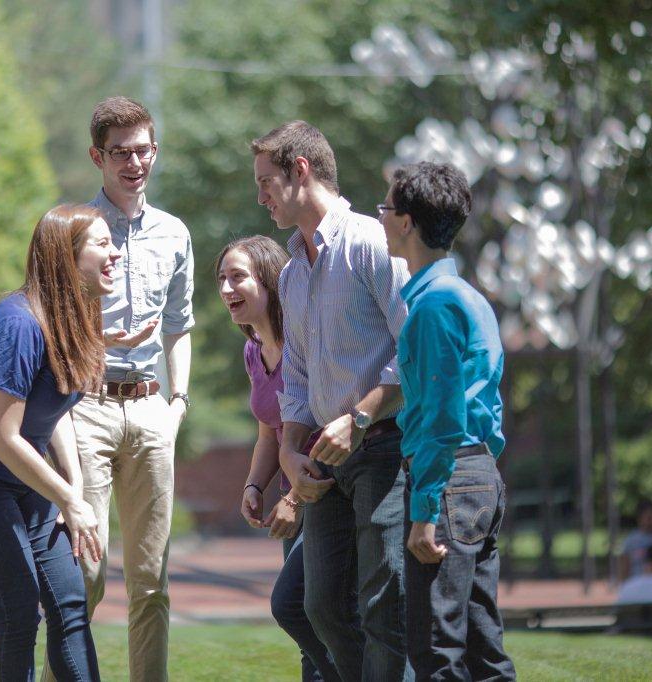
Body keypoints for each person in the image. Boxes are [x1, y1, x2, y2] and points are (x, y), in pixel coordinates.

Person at [0, 204, 116, 681]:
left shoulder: (73, 320)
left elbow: (54, 409)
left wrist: (72, 488)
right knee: (19, 608)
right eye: (102, 244)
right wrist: (67, 499)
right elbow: (1, 435)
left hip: (22, 473)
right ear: (67, 257)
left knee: (71, 604)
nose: (116, 253)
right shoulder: (17, 324)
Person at [252, 121, 411, 681]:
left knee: (383, 608)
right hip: (322, 459)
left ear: (300, 170)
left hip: (385, 447)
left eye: (266, 181)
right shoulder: (292, 272)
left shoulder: (370, 242)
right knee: (318, 607)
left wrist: (361, 417)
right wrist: (290, 453)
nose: (261, 196)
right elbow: (295, 377)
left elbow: (414, 346)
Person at [54, 96, 194, 682]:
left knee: (151, 581)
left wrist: (178, 403)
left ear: (154, 151)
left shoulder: (175, 233)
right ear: (98, 157)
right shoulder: (73, 230)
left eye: (143, 151)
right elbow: (50, 322)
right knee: (85, 574)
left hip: (151, 408)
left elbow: (179, 325)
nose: (134, 164)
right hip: (86, 407)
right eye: (120, 153)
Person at [380, 161, 516, 680]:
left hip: (447, 479)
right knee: (484, 649)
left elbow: (441, 416)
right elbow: (489, 408)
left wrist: (425, 509)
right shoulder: (470, 298)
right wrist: (479, 474)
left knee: (436, 649)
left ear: (406, 222)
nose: (381, 217)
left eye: (386, 208)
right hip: (478, 474)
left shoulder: (433, 306)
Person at [218, 236, 340, 681]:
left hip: (327, 491)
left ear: (269, 281)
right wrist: (255, 484)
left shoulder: (305, 343)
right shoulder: (254, 350)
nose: (226, 288)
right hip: (293, 497)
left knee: (293, 607)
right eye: (222, 279)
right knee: (309, 628)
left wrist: (295, 500)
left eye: (238, 277)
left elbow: (330, 427)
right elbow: (269, 431)